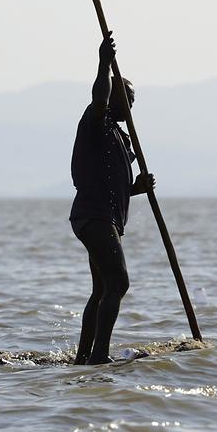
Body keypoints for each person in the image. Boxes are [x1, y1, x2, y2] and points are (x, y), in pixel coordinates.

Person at [69, 33, 155, 365]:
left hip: (103, 218)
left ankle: (83, 356)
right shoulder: (97, 122)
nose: (131, 104)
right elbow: (100, 96)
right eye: (127, 97)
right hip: (95, 217)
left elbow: (113, 184)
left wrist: (138, 188)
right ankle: (99, 356)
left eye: (133, 99)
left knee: (102, 289)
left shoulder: (120, 138)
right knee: (118, 282)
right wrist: (104, 62)